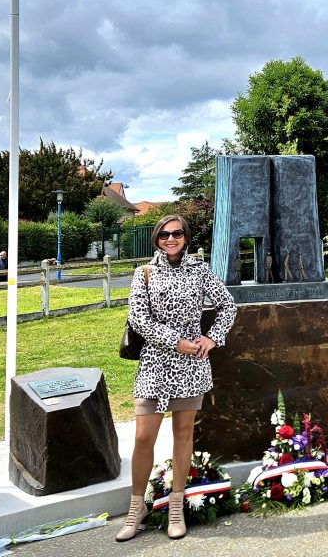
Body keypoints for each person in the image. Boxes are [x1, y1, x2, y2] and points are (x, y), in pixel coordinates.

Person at [115, 215, 236, 542]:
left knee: (183, 434)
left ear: (185, 237)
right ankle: (136, 506)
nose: (171, 238)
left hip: (191, 367)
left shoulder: (199, 270)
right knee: (143, 438)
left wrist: (212, 338)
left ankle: (177, 505)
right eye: (164, 234)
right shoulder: (144, 273)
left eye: (177, 233)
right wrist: (174, 341)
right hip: (154, 364)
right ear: (156, 239)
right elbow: (138, 319)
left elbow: (228, 305)